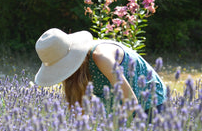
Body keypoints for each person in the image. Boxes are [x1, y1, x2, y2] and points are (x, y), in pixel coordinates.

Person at [34, 28, 166, 117]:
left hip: (151, 104)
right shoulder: (77, 73)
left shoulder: (101, 57)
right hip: (120, 111)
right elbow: (80, 113)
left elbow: (131, 102)